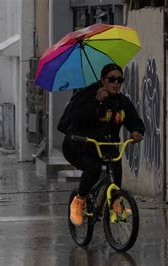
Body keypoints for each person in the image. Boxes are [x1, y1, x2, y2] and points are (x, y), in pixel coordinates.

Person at [62, 63, 145, 225]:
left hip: (105, 145)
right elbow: (76, 120)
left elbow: (135, 121)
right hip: (79, 146)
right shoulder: (88, 95)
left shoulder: (122, 102)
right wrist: (96, 100)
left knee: (116, 164)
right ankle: (79, 201)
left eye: (120, 80)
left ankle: (116, 205)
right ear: (102, 80)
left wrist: (137, 131)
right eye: (111, 79)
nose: (116, 83)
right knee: (93, 168)